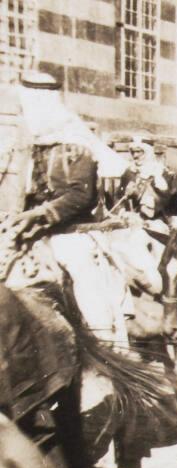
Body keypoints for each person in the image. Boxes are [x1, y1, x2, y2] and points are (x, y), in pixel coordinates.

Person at [7, 71, 132, 352]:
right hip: (34, 232)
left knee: (86, 287)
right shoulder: (31, 147)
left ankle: (109, 351)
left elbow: (79, 195)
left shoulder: (76, 144)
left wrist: (39, 214)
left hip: (71, 233)